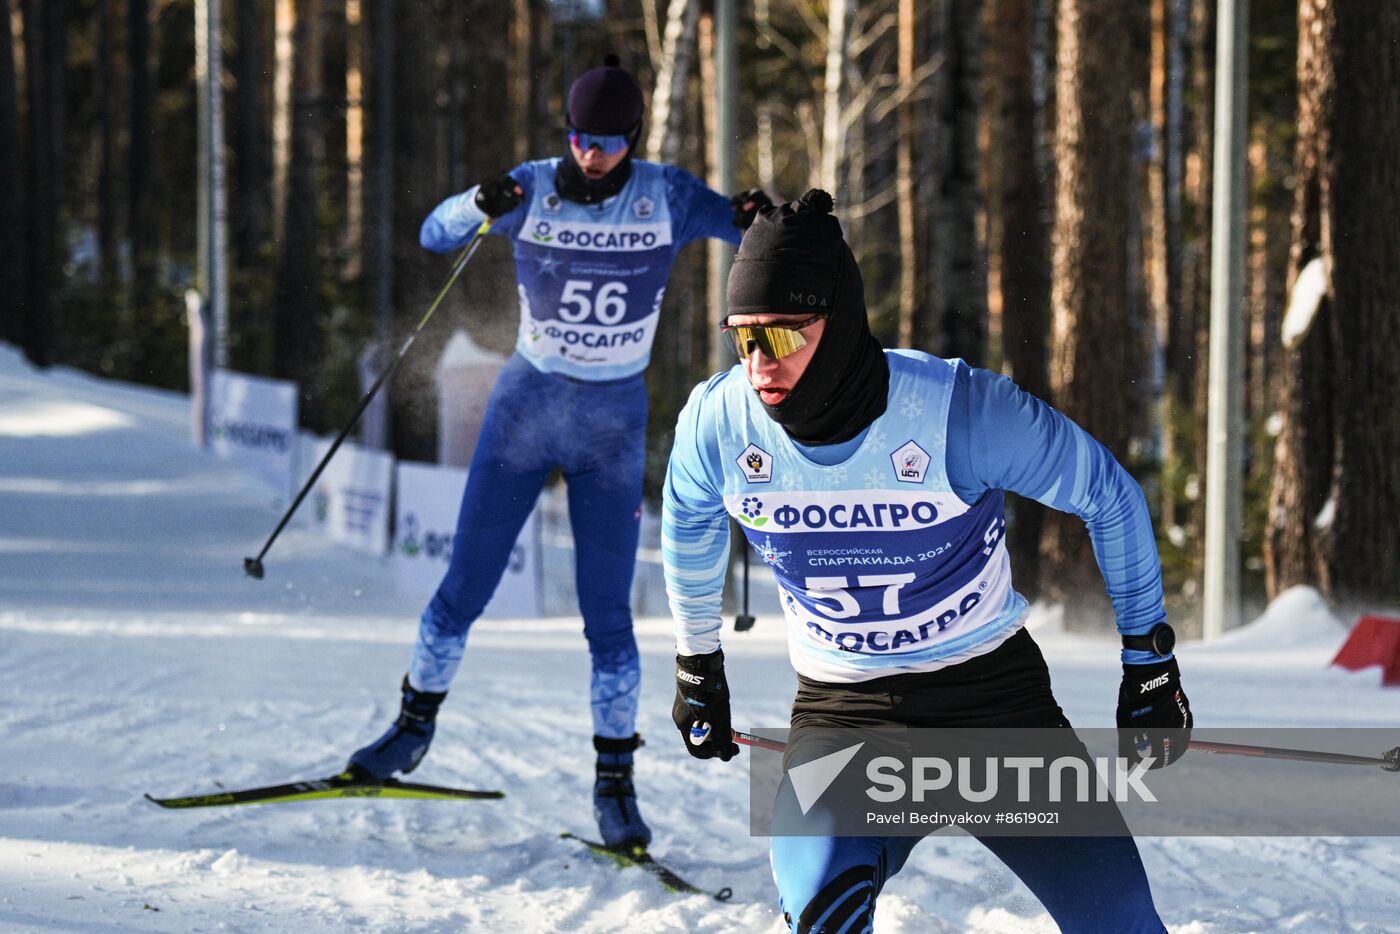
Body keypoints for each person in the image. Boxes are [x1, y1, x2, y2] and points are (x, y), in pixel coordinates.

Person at [662, 190, 1192, 932]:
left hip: (992, 708)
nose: (758, 365)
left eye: (781, 338)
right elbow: (686, 518)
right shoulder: (718, 423)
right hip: (846, 715)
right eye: (742, 338)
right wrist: (697, 664)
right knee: (821, 913)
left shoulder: (959, 412)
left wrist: (1149, 661)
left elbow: (1110, 495)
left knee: (1122, 925)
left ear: (838, 323)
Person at [346, 55, 770, 851]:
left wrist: (766, 212)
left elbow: (746, 224)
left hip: (609, 429)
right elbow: (433, 234)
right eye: (579, 138)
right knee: (463, 587)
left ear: (630, 140)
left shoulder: (667, 195)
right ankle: (410, 730)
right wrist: (479, 201)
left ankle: (615, 786)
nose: (590, 155)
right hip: (526, 412)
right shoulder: (532, 185)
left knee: (607, 618)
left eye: (606, 142)